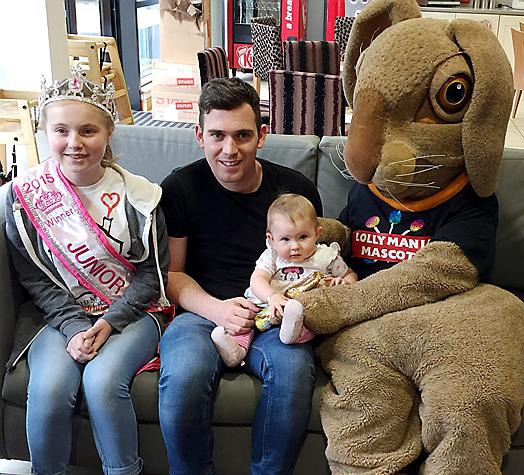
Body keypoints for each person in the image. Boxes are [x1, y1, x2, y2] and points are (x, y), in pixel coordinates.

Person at [4, 66, 171, 475]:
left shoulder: (141, 197)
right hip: (57, 317)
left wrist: (108, 324)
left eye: (88, 131)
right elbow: (34, 278)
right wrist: (76, 325)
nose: (74, 143)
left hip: (131, 312)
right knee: (48, 388)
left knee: (101, 383)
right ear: (44, 131)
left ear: (109, 132)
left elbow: (152, 274)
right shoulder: (22, 199)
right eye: (61, 131)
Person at [159, 77, 323, 475]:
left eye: (242, 135)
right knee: (182, 377)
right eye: (217, 135)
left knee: (294, 374)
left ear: (261, 136)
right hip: (203, 311)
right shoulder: (179, 188)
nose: (229, 150)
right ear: (199, 135)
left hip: (275, 313)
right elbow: (172, 275)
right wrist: (218, 310)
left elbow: (316, 265)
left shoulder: (295, 192)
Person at [212, 193, 358, 367]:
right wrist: (271, 296)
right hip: (269, 305)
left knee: (313, 318)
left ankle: (294, 335)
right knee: (247, 315)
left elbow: (350, 274)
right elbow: (257, 279)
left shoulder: (326, 256)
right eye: (285, 239)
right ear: (271, 240)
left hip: (303, 310)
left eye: (303, 237)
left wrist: (345, 283)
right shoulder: (272, 257)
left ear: (317, 233)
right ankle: (236, 350)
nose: (295, 246)